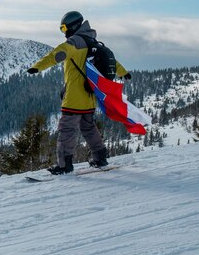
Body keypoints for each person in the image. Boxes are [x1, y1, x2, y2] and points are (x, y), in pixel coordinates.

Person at [27, 11, 130, 174]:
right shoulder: (92, 42)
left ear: (72, 26)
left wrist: (37, 67)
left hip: (74, 98)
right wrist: (123, 72)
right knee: (89, 128)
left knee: (67, 130)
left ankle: (64, 165)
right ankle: (100, 157)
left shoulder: (73, 43)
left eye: (63, 28)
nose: (63, 32)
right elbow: (111, 61)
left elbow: (55, 55)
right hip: (90, 97)